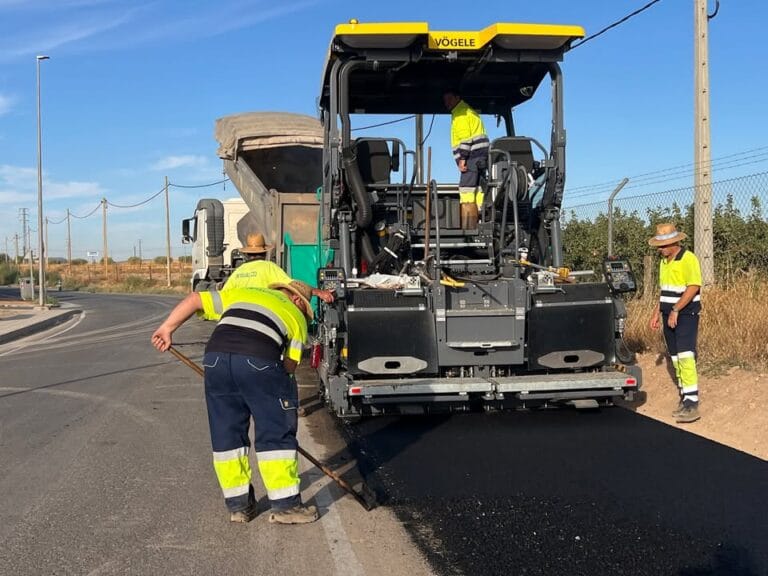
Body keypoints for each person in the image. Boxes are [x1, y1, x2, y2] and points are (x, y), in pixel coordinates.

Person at [151, 280, 319, 524]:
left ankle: (239, 507)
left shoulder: (243, 292)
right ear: (296, 300)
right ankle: (286, 506)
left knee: (226, 434)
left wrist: (166, 328)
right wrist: (281, 402)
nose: (303, 311)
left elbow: (195, 299)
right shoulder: (296, 315)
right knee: (275, 432)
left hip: (215, 358)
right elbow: (290, 366)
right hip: (259, 358)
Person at [648, 223, 702, 424]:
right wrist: (656, 312)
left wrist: (676, 309)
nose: (660, 250)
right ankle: (684, 395)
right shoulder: (664, 262)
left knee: (686, 355)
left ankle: (692, 402)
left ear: (673, 243)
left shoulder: (688, 259)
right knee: (675, 357)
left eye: (663, 246)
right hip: (668, 313)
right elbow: (664, 291)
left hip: (686, 313)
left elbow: (693, 286)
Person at [223, 232, 334, 303]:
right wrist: (320, 293)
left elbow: (224, 296)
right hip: (264, 317)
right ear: (265, 253)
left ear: (246, 255)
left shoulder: (238, 272)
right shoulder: (268, 267)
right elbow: (293, 285)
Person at [443, 89, 490, 229]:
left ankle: (469, 227)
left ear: (457, 97)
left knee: (466, 190)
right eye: (445, 100)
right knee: (479, 189)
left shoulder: (460, 114)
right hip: (480, 156)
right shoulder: (470, 111)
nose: (447, 103)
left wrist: (462, 158)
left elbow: (465, 138)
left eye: (449, 99)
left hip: (471, 157)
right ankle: (482, 218)